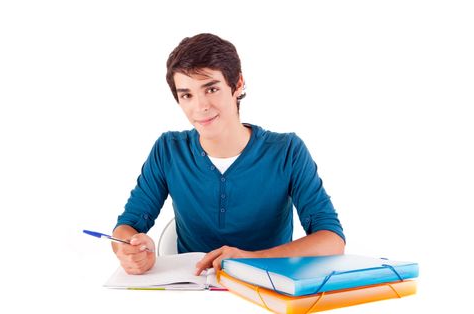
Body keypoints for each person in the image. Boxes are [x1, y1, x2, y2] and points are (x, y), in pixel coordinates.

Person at [112, 33, 345, 276]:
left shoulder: (287, 151)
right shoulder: (168, 150)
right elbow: (126, 227)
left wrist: (251, 258)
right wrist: (130, 248)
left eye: (211, 89)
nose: (200, 106)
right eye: (187, 95)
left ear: (238, 84)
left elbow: (331, 240)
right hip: (191, 292)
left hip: (268, 289)